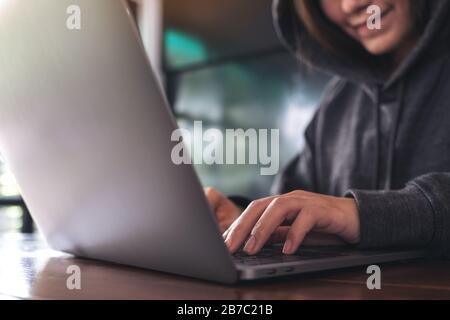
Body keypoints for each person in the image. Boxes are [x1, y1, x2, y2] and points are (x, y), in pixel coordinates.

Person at [204, 0, 450, 257]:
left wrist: (362, 215)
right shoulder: (337, 101)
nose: (351, 5)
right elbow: (294, 199)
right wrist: (245, 222)